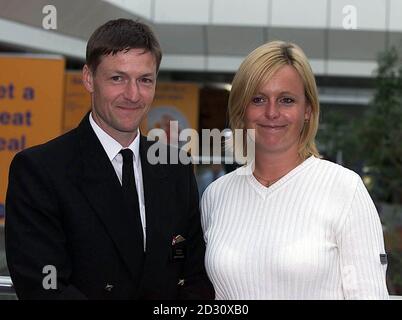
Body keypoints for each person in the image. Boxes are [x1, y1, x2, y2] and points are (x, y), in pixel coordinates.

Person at [5, 18, 214, 300]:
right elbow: (44, 285)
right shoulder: (41, 170)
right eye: (117, 78)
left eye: (145, 80)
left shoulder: (174, 166)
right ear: (89, 78)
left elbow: (194, 275)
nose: (132, 94)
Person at [200, 41, 389, 300]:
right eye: (258, 99)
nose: (271, 112)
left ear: (308, 110)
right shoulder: (216, 195)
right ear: (242, 110)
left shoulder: (345, 188)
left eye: (286, 100)